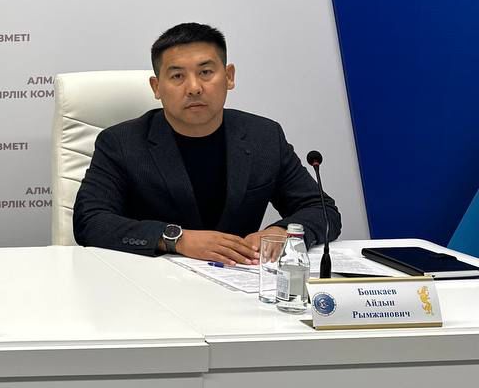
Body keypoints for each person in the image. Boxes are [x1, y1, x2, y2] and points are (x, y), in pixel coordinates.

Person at [73, 22, 340, 264]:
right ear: (156, 87)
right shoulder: (121, 143)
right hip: (152, 283)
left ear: (229, 76)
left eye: (206, 72)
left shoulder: (264, 136)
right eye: (177, 76)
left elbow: (322, 210)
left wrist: (282, 233)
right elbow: (90, 221)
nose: (194, 87)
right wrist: (176, 239)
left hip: (240, 281)